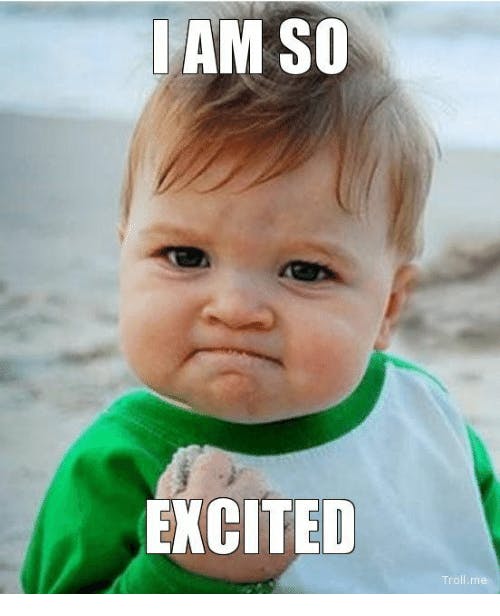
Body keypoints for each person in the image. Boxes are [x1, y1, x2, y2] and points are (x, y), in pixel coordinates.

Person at [21, 2, 499, 593]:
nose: (237, 309)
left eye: (305, 270)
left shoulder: (428, 421)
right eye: (186, 257)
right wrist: (185, 576)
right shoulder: (120, 466)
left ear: (389, 307)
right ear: (126, 259)